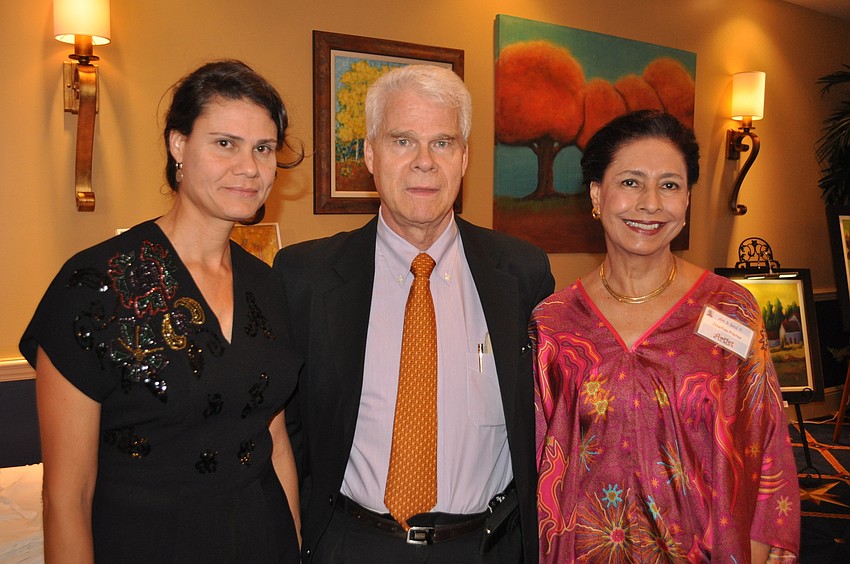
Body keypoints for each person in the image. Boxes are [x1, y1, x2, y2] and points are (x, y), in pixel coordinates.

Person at [20, 60, 303, 563]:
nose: (250, 167)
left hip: (263, 541)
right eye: (225, 143)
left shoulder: (267, 284)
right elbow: (67, 496)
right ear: (178, 145)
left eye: (263, 148)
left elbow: (275, 441)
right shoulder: (95, 286)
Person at [274, 64, 554, 563]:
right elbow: (285, 429)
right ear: (369, 155)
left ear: (465, 158)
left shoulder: (523, 274)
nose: (425, 162)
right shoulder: (306, 277)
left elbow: (548, 420)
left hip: (487, 546)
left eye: (443, 143)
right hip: (350, 543)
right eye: (403, 140)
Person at [532, 110, 800, 561]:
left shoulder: (729, 309)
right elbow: (540, 457)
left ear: (688, 199)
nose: (651, 204)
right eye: (631, 182)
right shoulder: (554, 324)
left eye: (670, 185)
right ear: (597, 194)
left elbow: (764, 435)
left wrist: (759, 544)